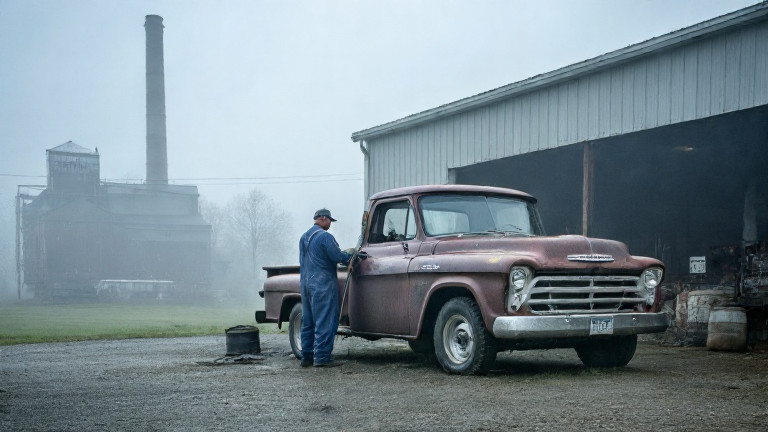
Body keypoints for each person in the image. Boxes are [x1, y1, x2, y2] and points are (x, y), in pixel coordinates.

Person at [299, 208, 352, 367]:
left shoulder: (304, 237)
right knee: (325, 321)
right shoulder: (325, 237)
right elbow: (337, 256)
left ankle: (306, 357)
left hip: (306, 285)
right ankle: (322, 358)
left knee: (308, 322)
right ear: (323, 219)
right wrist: (350, 256)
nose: (330, 224)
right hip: (322, 285)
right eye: (329, 221)